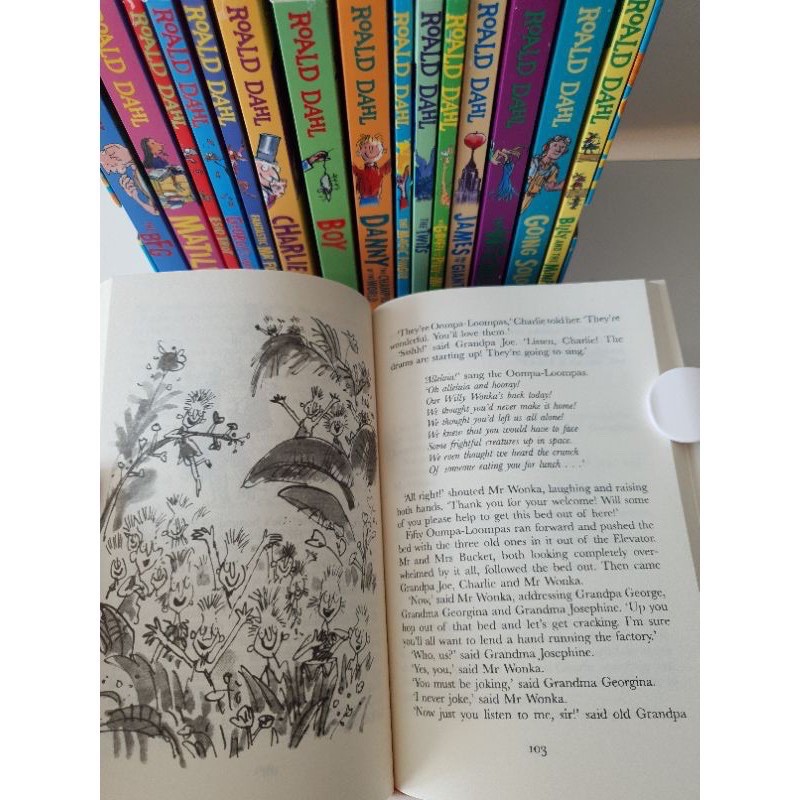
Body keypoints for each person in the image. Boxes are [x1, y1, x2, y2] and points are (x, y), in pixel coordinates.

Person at [520, 135, 571, 212]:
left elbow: (549, 186)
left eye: (562, 147)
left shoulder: (553, 169)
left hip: (529, 197)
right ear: (547, 147)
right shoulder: (533, 161)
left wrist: (558, 186)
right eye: (555, 145)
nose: (558, 149)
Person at [352, 134, 391, 205]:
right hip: (364, 199)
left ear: (382, 151)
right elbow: (353, 169)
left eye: (375, 147)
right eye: (366, 147)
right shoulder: (360, 172)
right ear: (359, 151)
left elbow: (388, 166)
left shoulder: (379, 171)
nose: (370, 149)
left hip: (375, 198)